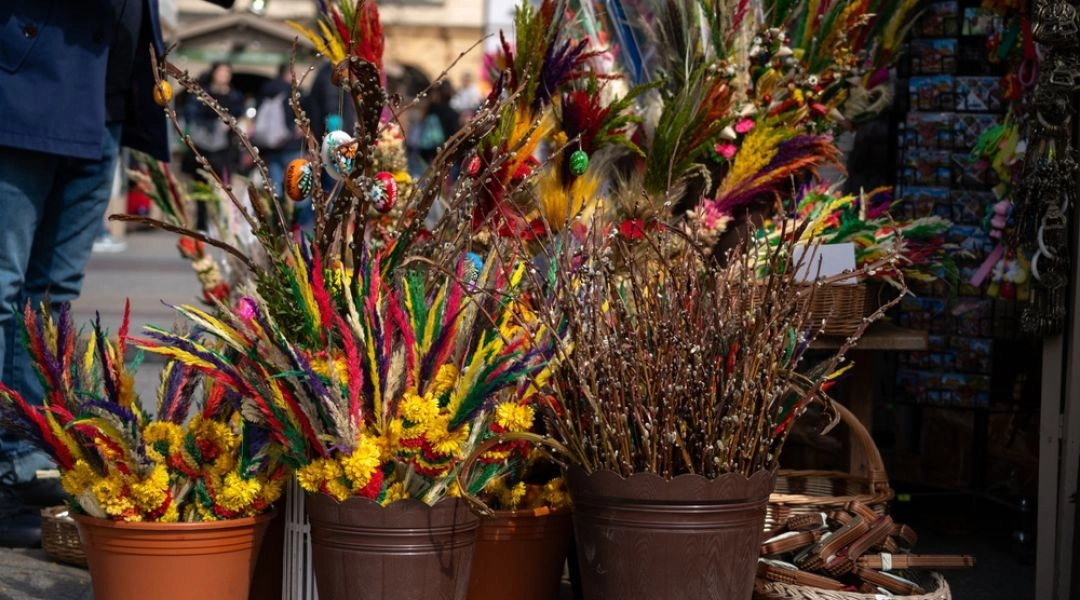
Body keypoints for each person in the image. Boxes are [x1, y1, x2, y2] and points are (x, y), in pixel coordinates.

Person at [0, 0, 234, 548]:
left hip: (100, 95)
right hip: (26, 82)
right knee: (4, 287)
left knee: (52, 296)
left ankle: (25, 461)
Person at [183, 61, 245, 232]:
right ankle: (202, 223)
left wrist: (230, 123)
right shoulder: (201, 94)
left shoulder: (235, 96)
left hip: (224, 148)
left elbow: (239, 115)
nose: (224, 76)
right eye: (221, 72)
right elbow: (190, 114)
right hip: (201, 144)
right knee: (201, 185)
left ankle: (221, 222)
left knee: (223, 185)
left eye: (227, 72)